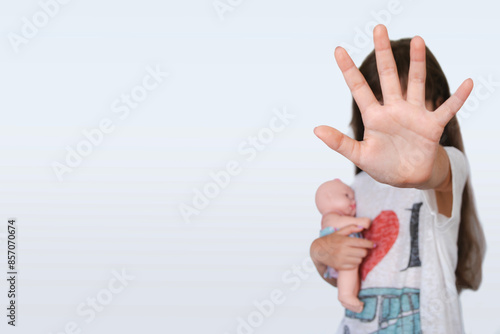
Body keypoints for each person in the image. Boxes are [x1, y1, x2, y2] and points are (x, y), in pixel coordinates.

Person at [309, 24, 486, 333]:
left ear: (438, 106)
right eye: (383, 102)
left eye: (412, 102)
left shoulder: (450, 167)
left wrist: (425, 163)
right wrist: (321, 254)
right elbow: (347, 272)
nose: (398, 119)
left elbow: (438, 172)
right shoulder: (354, 192)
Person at [315, 179, 371, 313]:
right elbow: (340, 222)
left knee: (353, 274)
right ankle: (345, 295)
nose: (353, 202)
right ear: (329, 197)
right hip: (342, 254)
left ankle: (352, 295)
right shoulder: (329, 217)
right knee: (349, 269)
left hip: (348, 252)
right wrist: (359, 222)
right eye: (347, 196)